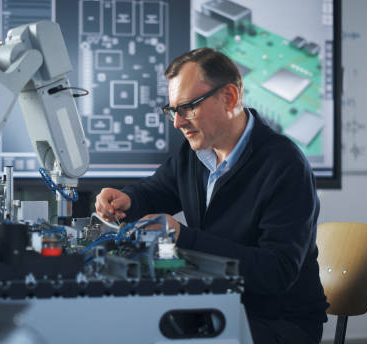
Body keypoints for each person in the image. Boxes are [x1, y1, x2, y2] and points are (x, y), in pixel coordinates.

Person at [95, 48, 328, 343]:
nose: (178, 122)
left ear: (229, 97)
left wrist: (182, 237)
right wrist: (126, 199)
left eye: (188, 107)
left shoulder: (284, 165)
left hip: (277, 322)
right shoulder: (195, 154)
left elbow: (276, 272)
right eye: (172, 110)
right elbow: (154, 192)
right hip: (216, 303)